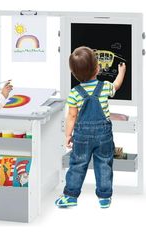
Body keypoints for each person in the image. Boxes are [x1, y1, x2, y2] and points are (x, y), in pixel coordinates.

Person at [55, 46, 126, 208]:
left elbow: (72, 116)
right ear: (97, 68)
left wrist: (68, 135)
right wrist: (121, 72)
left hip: (82, 137)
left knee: (78, 164)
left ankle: (71, 196)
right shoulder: (105, 86)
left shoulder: (74, 93)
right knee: (104, 163)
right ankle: (104, 197)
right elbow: (116, 86)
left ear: (74, 73)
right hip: (104, 135)